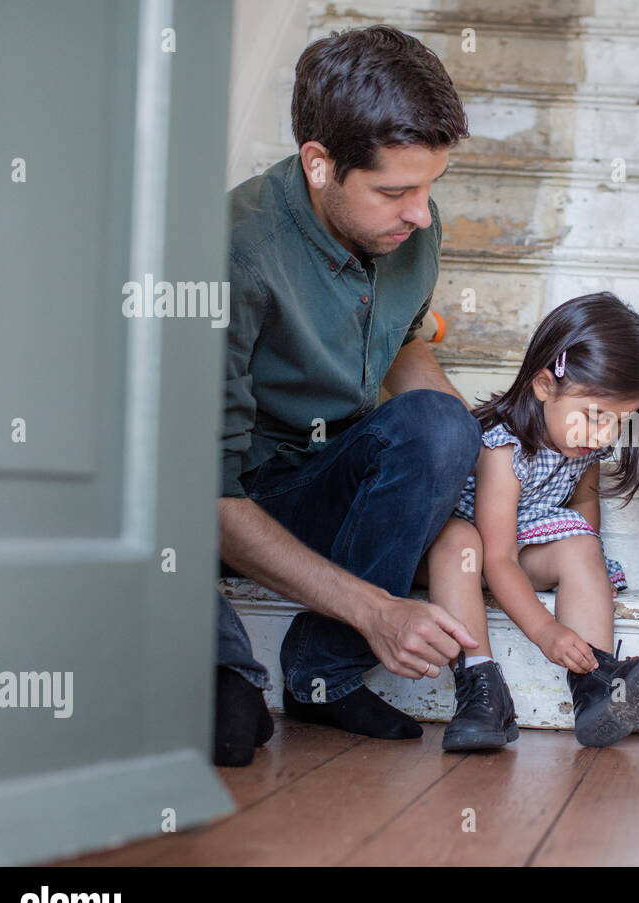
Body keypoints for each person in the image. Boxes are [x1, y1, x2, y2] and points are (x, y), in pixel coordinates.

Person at [212, 25, 484, 766]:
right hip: (237, 505)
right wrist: (378, 610)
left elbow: (401, 343)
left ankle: (321, 673)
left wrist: (479, 451)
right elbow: (208, 497)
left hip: (331, 471)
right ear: (319, 164)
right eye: (396, 191)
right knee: (229, 731)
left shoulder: (410, 231)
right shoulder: (232, 254)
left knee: (447, 428)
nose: (422, 214)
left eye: (430, 186)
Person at [423, 292, 639, 751]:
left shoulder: (586, 444)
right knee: (460, 541)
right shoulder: (504, 449)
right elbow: (498, 557)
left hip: (520, 548)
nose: (605, 435)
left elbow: (582, 514)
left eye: (620, 423)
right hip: (463, 556)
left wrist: (590, 570)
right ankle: (480, 687)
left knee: (581, 544)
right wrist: (547, 631)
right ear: (544, 385)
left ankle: (596, 683)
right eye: (594, 416)